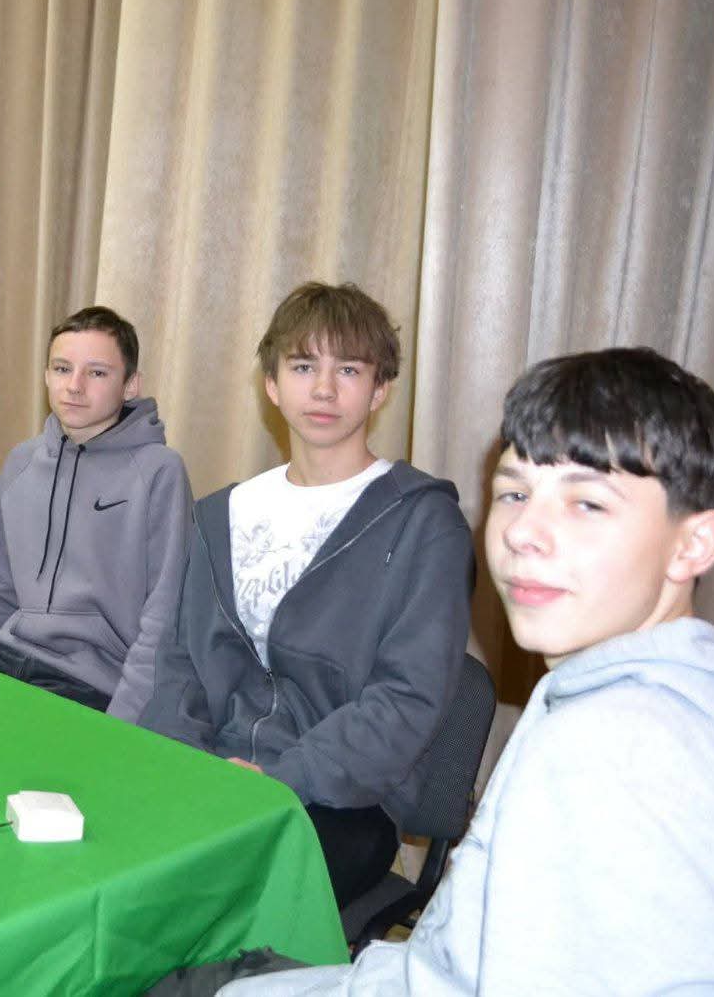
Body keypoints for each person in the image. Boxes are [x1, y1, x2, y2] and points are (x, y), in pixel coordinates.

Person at [217, 347, 714, 995]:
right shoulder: (648, 696)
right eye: (515, 493)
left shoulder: (616, 746)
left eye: (587, 504)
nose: (523, 532)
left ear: (693, 544)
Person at [140, 283, 473, 909]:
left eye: (348, 370)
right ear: (271, 385)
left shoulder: (424, 523)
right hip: (212, 772)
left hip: (340, 799)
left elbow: (408, 695)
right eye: (302, 367)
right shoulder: (222, 514)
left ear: (379, 389)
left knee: (198, 905)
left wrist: (282, 777)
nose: (323, 389)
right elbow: (180, 664)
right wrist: (181, 766)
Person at [0, 305, 193, 721]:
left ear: (130, 385)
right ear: (46, 376)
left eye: (97, 373)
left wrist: (122, 722)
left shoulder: (159, 472)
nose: (74, 386)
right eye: (62, 369)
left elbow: (164, 619)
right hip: (6, 657)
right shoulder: (21, 463)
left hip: (90, 684)